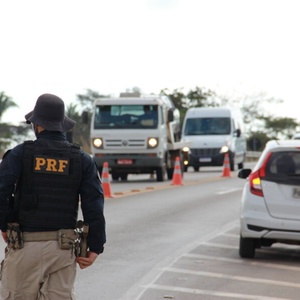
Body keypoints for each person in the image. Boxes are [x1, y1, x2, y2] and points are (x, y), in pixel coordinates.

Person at [0, 93, 106, 300]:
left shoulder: (20, 154)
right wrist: (96, 246)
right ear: (62, 125)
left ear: (36, 125)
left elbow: (1, 191)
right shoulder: (82, 159)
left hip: (23, 246)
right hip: (62, 250)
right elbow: (94, 205)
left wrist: (5, 225)